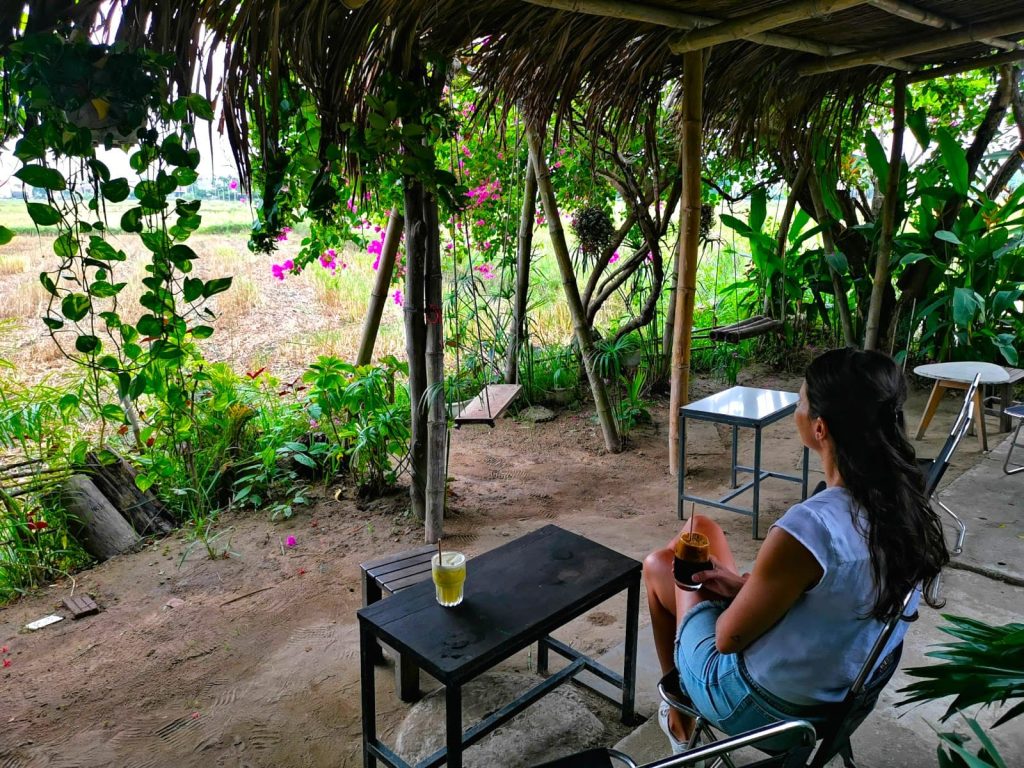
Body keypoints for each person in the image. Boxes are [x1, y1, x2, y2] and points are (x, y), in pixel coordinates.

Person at [644, 348, 949, 754]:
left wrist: (702, 585)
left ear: (819, 428)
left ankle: (680, 717)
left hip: (765, 708)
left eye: (801, 401)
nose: (797, 408)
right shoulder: (906, 507)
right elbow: (829, 592)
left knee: (660, 564)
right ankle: (681, 712)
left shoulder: (807, 529)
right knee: (699, 527)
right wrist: (742, 587)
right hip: (841, 699)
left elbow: (727, 639)